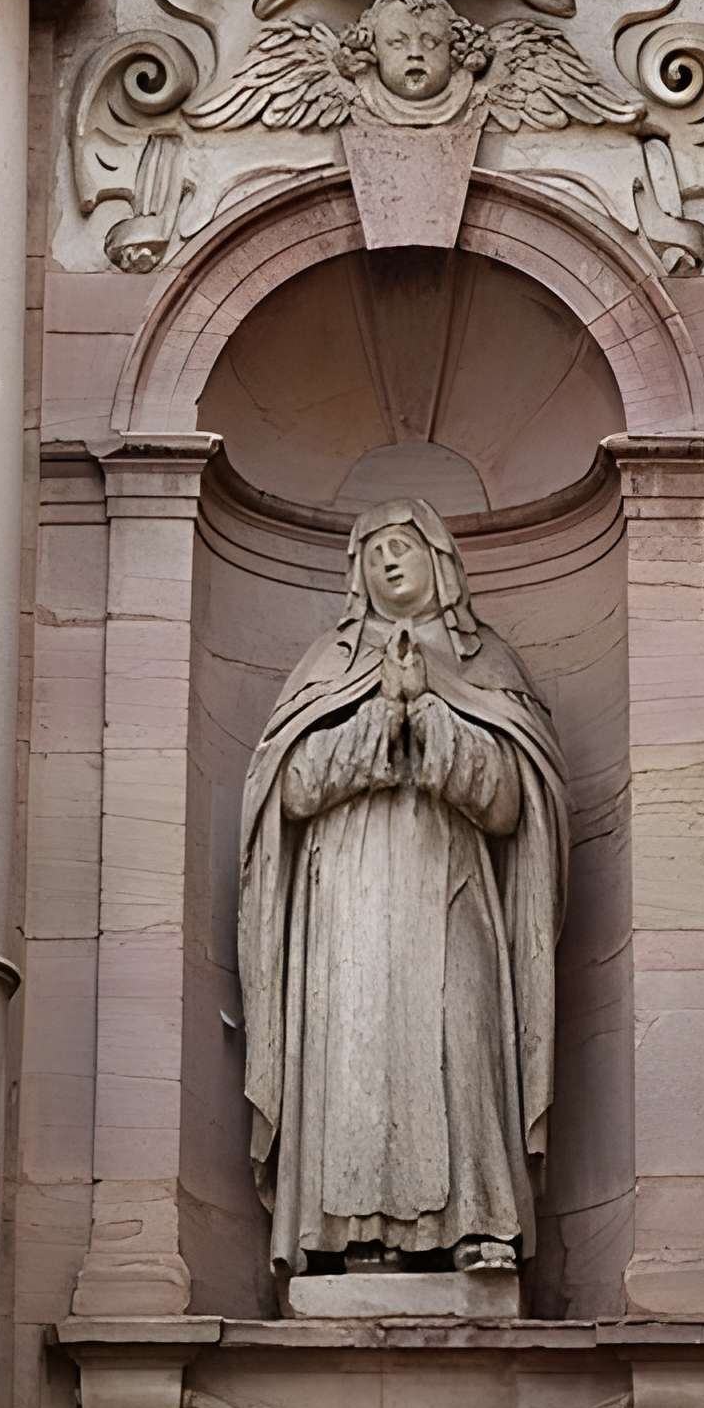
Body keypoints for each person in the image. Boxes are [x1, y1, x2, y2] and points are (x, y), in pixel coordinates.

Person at [238, 498, 568, 1277]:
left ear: (441, 561)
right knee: (354, 1044)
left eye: (404, 546)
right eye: (374, 550)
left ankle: (479, 1226)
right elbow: (286, 792)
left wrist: (431, 710)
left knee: (460, 1036)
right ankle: (351, 1236)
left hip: (450, 886)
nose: (389, 562)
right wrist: (379, 715)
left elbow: (510, 803)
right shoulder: (325, 667)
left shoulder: (488, 665)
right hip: (345, 899)